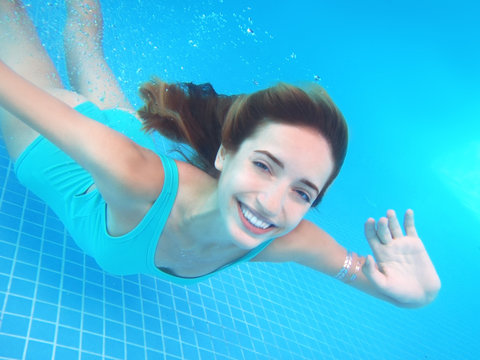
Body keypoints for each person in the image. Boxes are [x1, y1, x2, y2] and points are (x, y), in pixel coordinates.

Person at [0, 0, 440, 308]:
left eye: (303, 193)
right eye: (265, 165)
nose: (272, 204)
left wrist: (415, 295)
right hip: (57, 147)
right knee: (11, 20)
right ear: (225, 155)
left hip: (126, 130)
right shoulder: (136, 178)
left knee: (85, 40)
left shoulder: (284, 237)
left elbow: (363, 273)